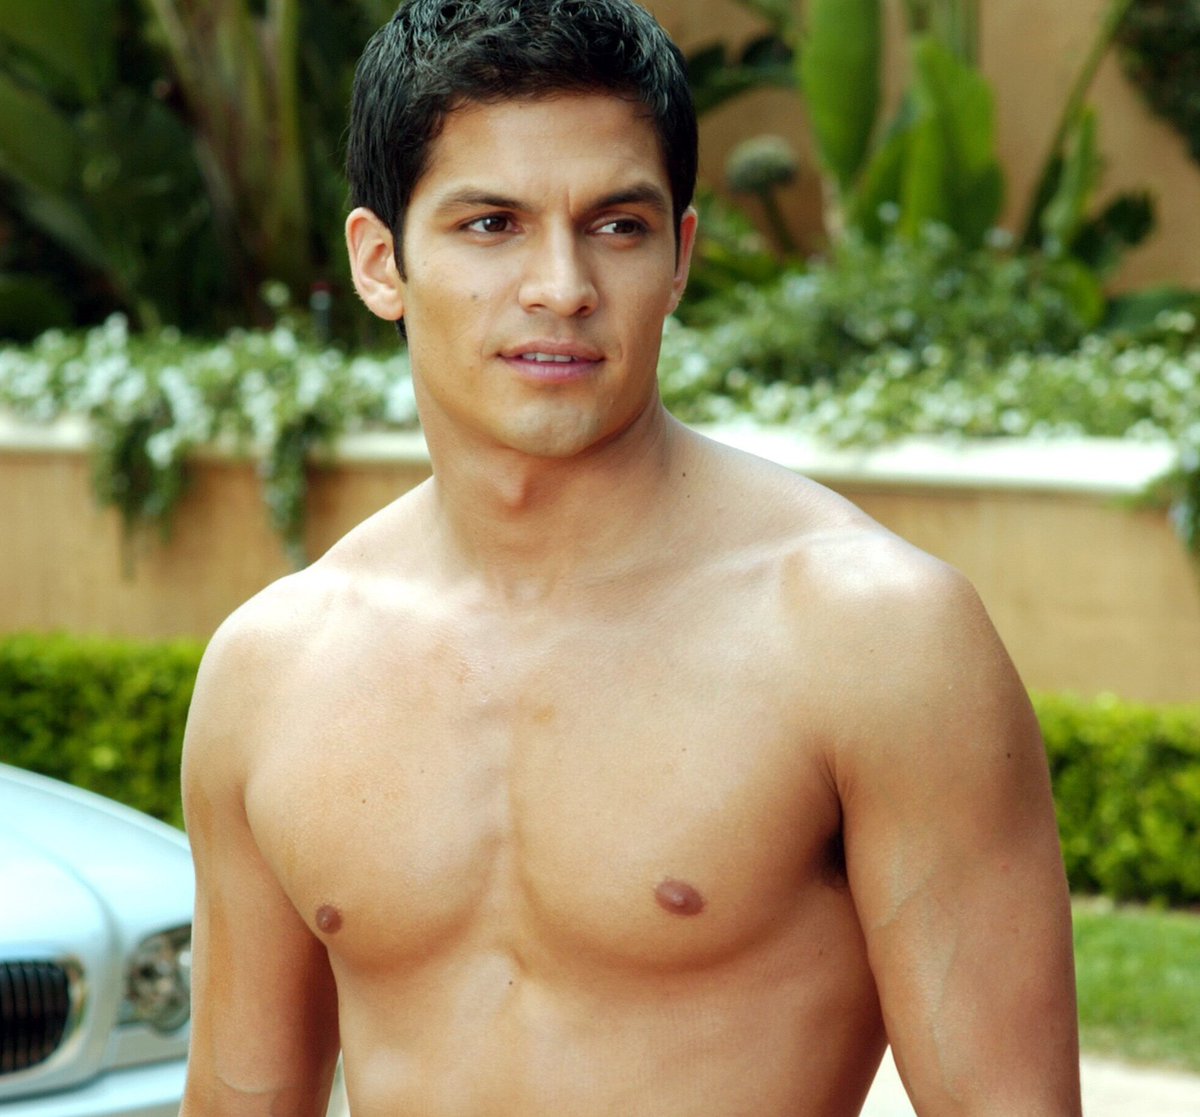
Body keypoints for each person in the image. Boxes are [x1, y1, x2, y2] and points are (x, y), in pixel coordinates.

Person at [178, 1, 1082, 1113]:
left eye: (616, 224)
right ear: (380, 263)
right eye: (491, 224)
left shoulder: (875, 636)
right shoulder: (269, 673)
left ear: (680, 256)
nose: (562, 285)